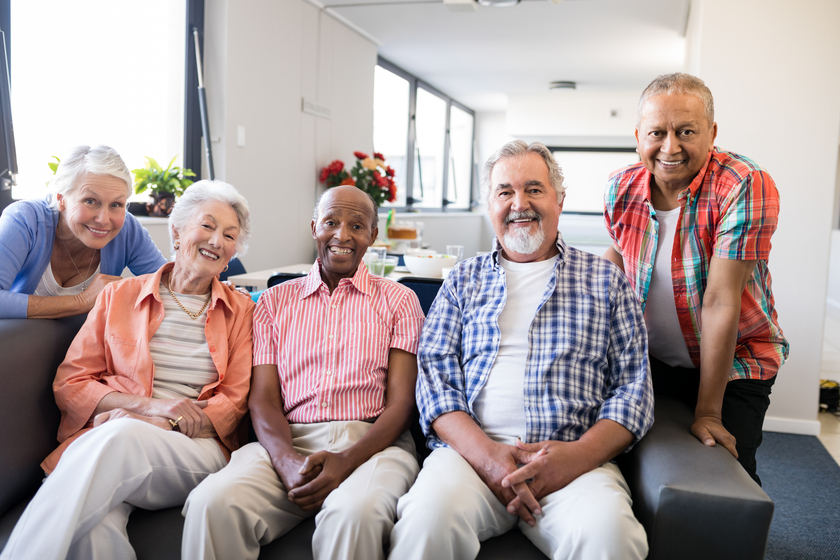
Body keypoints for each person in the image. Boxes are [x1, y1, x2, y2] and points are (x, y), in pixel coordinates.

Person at [389, 141, 653, 560]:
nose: (519, 204)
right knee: (426, 523)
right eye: (505, 192)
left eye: (534, 189)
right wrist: (488, 457)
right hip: (470, 459)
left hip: (572, 461)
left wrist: (577, 456)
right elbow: (435, 382)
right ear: (489, 205)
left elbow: (633, 392)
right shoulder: (462, 280)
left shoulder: (607, 281)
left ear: (559, 200)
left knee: (611, 537)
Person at [0, 180, 255, 560]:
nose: (217, 241)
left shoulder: (243, 312)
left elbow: (233, 404)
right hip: (113, 438)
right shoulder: (118, 296)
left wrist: (158, 421)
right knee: (95, 531)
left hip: (195, 448)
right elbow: (70, 383)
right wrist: (145, 407)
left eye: (229, 235)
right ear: (176, 230)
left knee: (120, 437)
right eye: (207, 226)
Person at [182, 185, 425, 560]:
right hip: (288, 441)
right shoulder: (274, 302)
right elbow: (263, 399)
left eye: (357, 226)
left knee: (354, 514)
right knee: (212, 502)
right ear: (315, 227)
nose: (342, 235)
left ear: (372, 236)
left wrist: (347, 460)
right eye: (331, 222)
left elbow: (402, 404)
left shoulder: (399, 301)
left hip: (374, 443)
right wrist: (285, 461)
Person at [603, 73, 788, 484]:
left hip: (737, 362)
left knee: (724, 476)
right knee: (630, 459)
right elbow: (618, 254)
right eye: (657, 132)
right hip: (652, 357)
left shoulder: (743, 183)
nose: (670, 147)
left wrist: (708, 412)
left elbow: (721, 300)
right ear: (638, 136)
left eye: (686, 131)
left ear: (712, 132)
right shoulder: (620, 187)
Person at [0, 144, 168, 319]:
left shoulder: (128, 230)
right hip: (21, 341)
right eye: (90, 201)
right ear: (61, 199)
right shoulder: (25, 219)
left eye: (116, 204)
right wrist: (82, 300)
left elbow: (170, 287)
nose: (104, 219)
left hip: (86, 344)